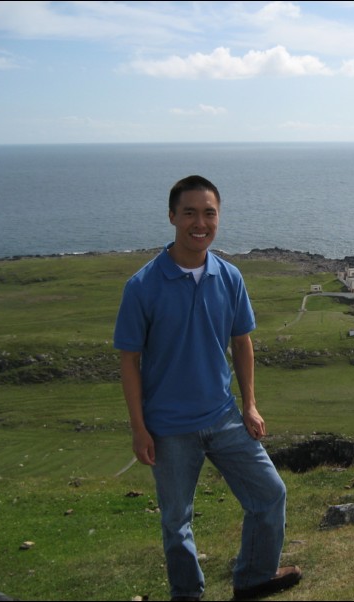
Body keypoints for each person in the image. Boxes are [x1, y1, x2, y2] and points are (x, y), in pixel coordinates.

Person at [113, 175, 302, 601]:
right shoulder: (142, 286)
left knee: (269, 494)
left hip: (223, 415)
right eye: (190, 213)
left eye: (209, 213)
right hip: (168, 427)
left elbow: (242, 342)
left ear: (219, 218)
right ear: (172, 217)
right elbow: (129, 360)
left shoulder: (229, 277)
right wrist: (139, 428)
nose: (200, 223)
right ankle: (188, 594)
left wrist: (250, 405)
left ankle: (253, 580)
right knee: (176, 524)